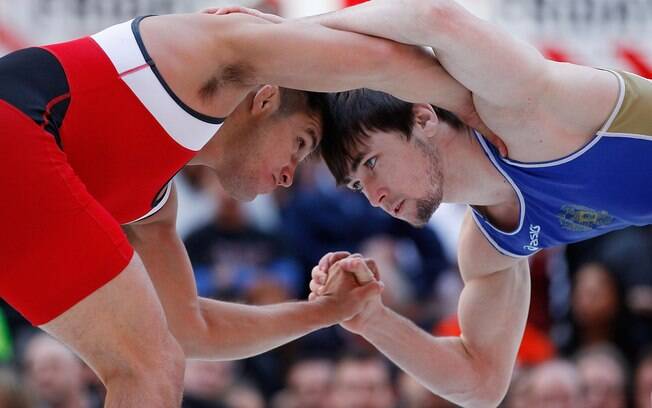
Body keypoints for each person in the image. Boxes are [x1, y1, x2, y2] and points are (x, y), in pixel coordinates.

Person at [0, 7, 501, 406]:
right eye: (301, 144)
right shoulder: (201, 58)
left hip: (22, 162)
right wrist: (486, 114)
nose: (290, 174)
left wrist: (325, 312)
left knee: (155, 357)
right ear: (265, 100)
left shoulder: (152, 204)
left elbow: (191, 328)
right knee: (147, 367)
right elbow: (383, 59)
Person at [216, 0, 652, 405]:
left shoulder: (515, 107)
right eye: (354, 184)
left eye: (371, 161)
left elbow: (435, 18)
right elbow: (480, 384)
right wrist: (370, 319)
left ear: (423, 118)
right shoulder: (489, 246)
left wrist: (275, 39)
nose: (373, 195)